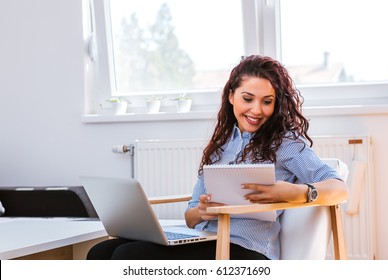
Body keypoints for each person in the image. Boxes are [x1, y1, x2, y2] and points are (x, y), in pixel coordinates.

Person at [86, 55, 348, 260]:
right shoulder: (220, 146)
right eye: (248, 98)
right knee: (99, 252)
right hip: (206, 241)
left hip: (246, 252)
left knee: (127, 256)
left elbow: (338, 187)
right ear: (231, 96)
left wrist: (295, 192)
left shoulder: (285, 142)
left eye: (267, 101)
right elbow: (189, 215)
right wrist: (202, 211)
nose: (257, 110)